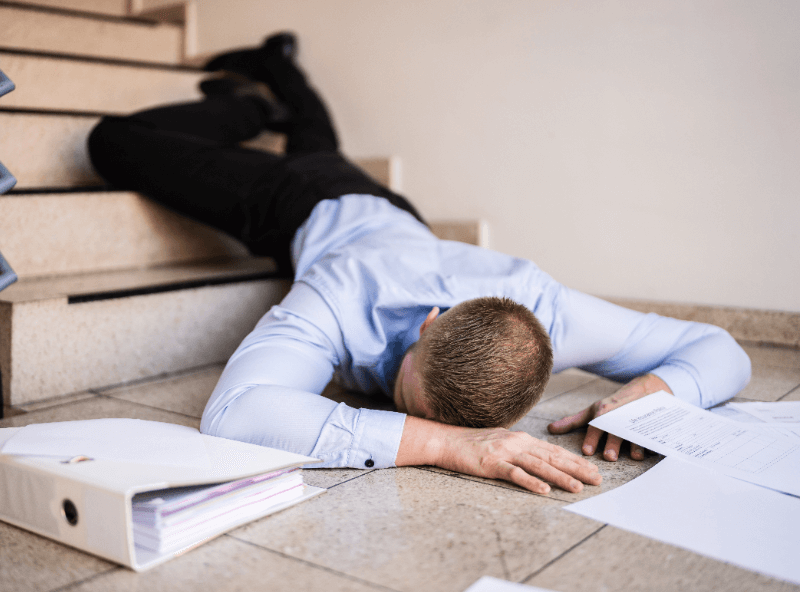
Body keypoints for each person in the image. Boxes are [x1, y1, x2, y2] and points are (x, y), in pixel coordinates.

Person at [88, 33, 751, 496]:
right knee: (114, 142)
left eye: (436, 421)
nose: (419, 420)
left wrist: (660, 391)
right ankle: (250, 106)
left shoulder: (542, 307)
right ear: (429, 324)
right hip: (300, 205)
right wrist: (446, 446)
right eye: (414, 402)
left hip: (391, 210)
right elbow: (234, 414)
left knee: (319, 144)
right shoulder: (340, 294)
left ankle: (279, 63)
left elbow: (717, 349)